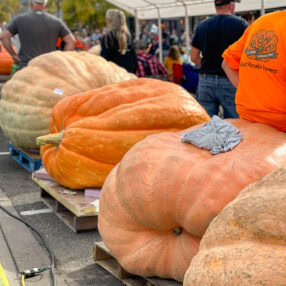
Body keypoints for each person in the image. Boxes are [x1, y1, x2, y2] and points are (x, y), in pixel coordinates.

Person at [222, 11, 286, 132]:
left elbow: (226, 64)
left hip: (247, 119)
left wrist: (248, 91)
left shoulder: (261, 22)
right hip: (280, 126)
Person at [191, 0, 248, 118]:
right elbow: (248, 56)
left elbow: (193, 57)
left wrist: (209, 64)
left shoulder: (202, 25)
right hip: (230, 79)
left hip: (206, 80)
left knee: (205, 124)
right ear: (231, 6)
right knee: (235, 125)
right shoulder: (241, 24)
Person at [0, 0, 75, 71]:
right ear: (45, 4)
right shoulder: (56, 22)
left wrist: (14, 55)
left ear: (31, 3)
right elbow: (71, 41)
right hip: (48, 68)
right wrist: (61, 59)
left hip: (26, 67)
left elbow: (4, 37)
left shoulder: (20, 19)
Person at [100, 9, 137, 74]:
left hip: (114, 75)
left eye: (106, 19)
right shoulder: (128, 36)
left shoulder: (108, 38)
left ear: (110, 21)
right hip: (128, 74)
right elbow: (134, 59)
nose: (105, 21)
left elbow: (104, 60)